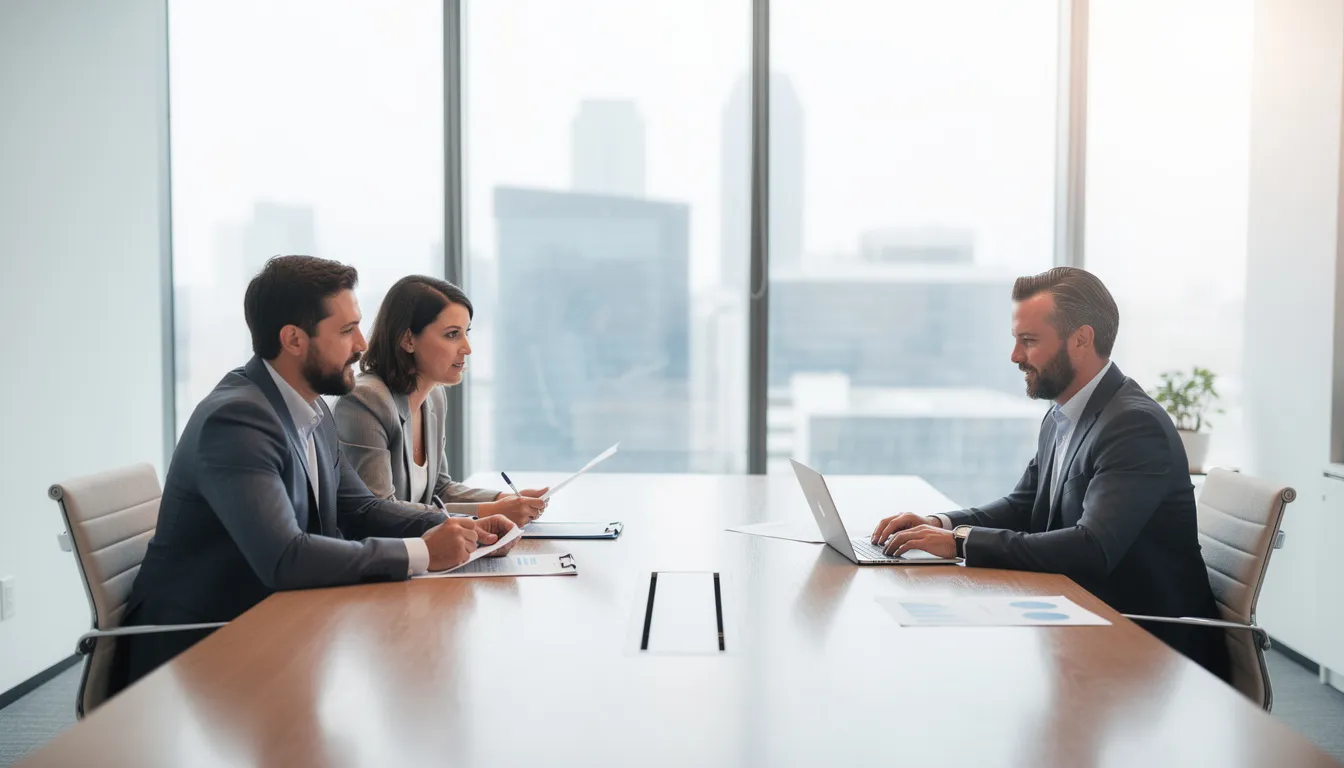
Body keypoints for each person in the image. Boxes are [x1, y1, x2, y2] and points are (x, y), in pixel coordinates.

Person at [115, 256, 518, 692]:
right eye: (347, 331)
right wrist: (422, 553)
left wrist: (462, 528)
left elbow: (360, 507)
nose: (363, 343)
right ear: (293, 340)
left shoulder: (311, 407)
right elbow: (285, 557)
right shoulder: (237, 420)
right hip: (199, 647)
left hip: (277, 619)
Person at [870, 267, 1230, 681]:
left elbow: (1092, 548)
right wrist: (941, 523)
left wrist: (958, 543)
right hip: (1084, 614)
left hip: (1150, 646)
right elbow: (1022, 506)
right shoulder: (1064, 414)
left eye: (1029, 341)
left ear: (1081, 339)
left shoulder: (1133, 426)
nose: (1015, 356)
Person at [333, 276, 548, 525]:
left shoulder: (434, 396)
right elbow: (378, 510)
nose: (467, 348)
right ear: (408, 340)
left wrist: (505, 500)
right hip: (378, 558)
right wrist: (489, 513)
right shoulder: (365, 400)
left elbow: (440, 489)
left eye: (466, 333)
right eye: (452, 335)